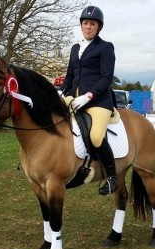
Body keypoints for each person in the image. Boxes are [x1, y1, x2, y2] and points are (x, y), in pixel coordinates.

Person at [60, 6, 117, 195]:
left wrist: (88, 96)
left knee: (95, 136)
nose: (88, 27)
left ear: (98, 27)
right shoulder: (75, 48)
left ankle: (111, 177)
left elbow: (106, 78)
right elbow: (70, 75)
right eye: (85, 23)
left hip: (98, 101)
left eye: (92, 24)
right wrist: (61, 92)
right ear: (81, 25)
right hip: (74, 98)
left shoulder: (105, 47)